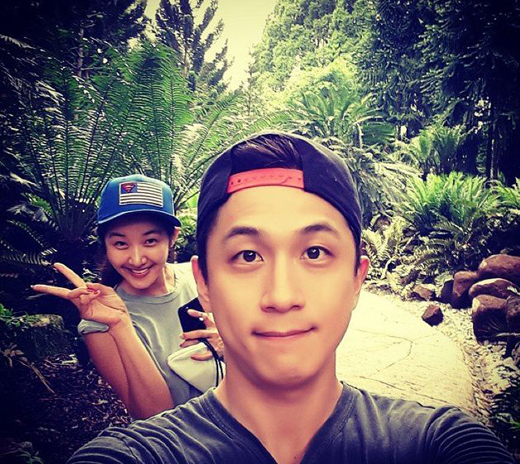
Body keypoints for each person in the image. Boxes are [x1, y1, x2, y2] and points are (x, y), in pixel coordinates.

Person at [68, 133, 514, 463]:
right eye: (247, 255)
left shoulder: (437, 444)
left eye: (315, 252)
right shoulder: (138, 455)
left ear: (356, 278)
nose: (281, 297)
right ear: (205, 283)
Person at [33, 174, 223, 420]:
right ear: (105, 244)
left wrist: (229, 344)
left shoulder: (199, 277)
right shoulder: (99, 323)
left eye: (150, 241)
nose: (136, 259)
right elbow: (154, 417)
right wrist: (121, 325)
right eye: (121, 244)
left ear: (172, 237)